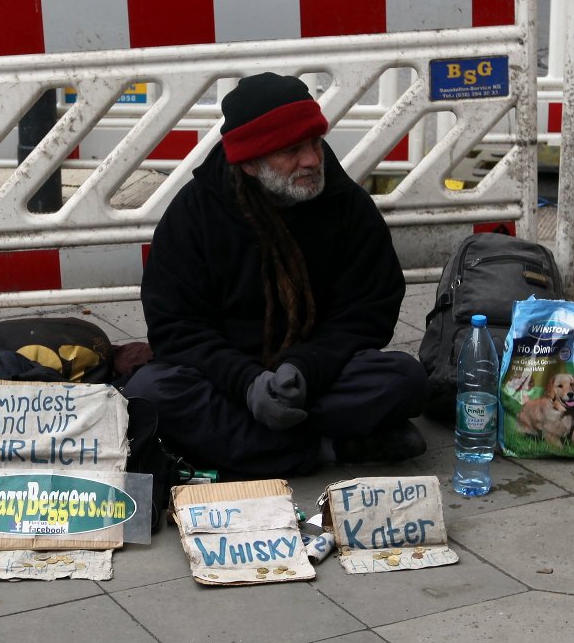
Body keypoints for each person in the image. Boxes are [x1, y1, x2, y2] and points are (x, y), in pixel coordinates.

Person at [127, 72, 428, 480]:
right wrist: (247, 383)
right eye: (291, 151)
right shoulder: (194, 215)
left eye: (314, 143)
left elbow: (368, 309)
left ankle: (249, 448)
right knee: (151, 392)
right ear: (249, 163)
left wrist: (304, 369)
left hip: (311, 377)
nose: (311, 160)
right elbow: (176, 326)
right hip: (227, 379)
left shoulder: (347, 205)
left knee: (404, 379)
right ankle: (327, 448)